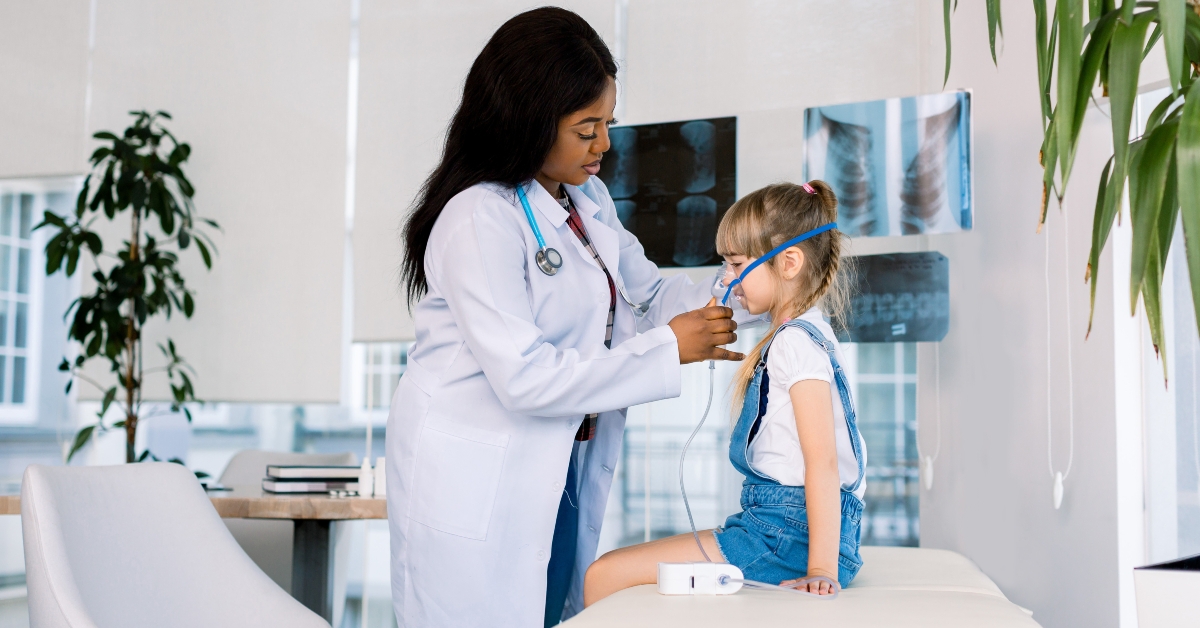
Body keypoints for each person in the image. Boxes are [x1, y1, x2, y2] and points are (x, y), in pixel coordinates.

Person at [385, 7, 744, 627]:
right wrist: (666, 349)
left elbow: (647, 294)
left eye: (608, 123)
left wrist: (739, 285)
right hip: (477, 479)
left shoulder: (586, 200)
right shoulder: (478, 218)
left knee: (553, 608)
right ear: (527, 122)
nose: (605, 145)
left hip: (558, 466)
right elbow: (524, 377)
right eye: (587, 129)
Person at [582, 181, 868, 605]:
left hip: (786, 537)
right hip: (784, 529)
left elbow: (822, 462)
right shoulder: (813, 331)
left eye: (736, 264)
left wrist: (821, 569)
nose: (727, 281)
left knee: (603, 574)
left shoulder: (794, 342)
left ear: (788, 262)